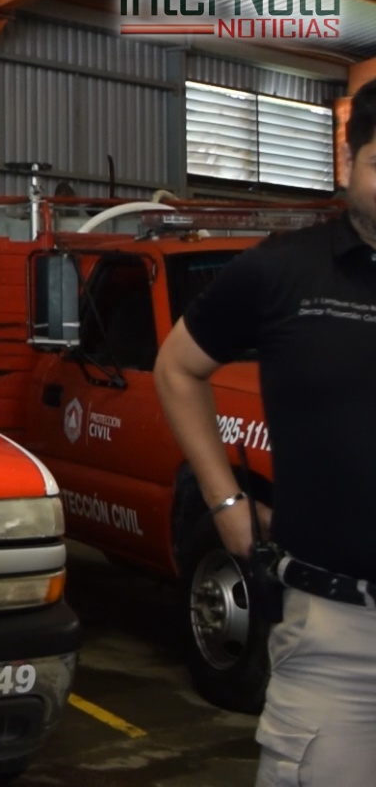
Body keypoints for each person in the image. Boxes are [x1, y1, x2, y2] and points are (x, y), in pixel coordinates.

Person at [156, 78, 376, 787]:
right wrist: (225, 501)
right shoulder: (283, 272)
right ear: (348, 162)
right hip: (341, 634)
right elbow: (177, 368)